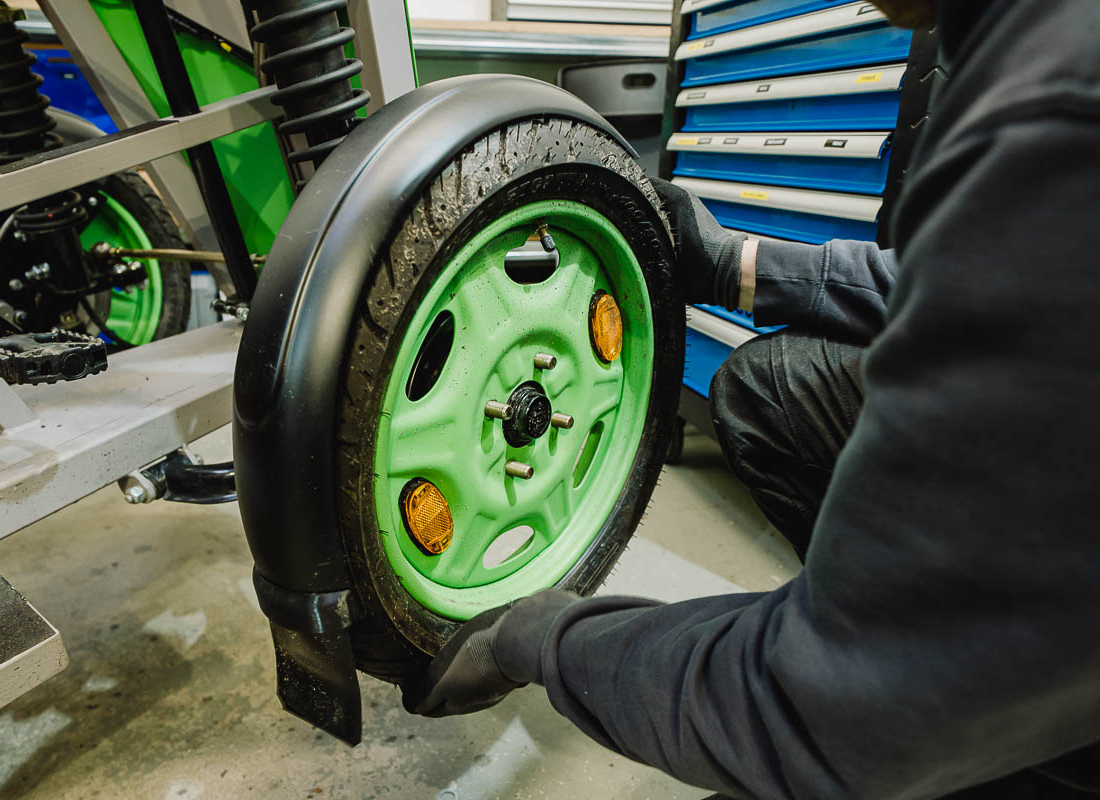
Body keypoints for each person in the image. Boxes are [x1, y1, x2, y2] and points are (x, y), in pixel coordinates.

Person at [400, 1, 1100, 797]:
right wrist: (736, 263)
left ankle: (981, 724)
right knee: (770, 388)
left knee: (838, 732)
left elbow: (810, 716)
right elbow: (960, 281)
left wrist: (541, 638)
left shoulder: (1060, 107)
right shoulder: (1024, 43)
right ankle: (899, 634)